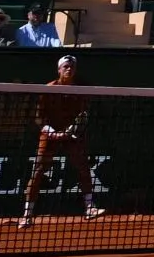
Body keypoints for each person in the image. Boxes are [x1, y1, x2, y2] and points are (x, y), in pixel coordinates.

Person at [19, 55, 97, 224]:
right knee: (38, 170)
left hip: (71, 136)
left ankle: (90, 207)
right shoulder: (48, 89)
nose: (69, 69)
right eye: (66, 66)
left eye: (72, 67)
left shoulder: (79, 91)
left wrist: (70, 133)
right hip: (50, 134)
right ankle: (28, 214)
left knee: (83, 167)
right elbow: (38, 117)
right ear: (59, 70)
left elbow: (83, 116)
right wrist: (52, 133)